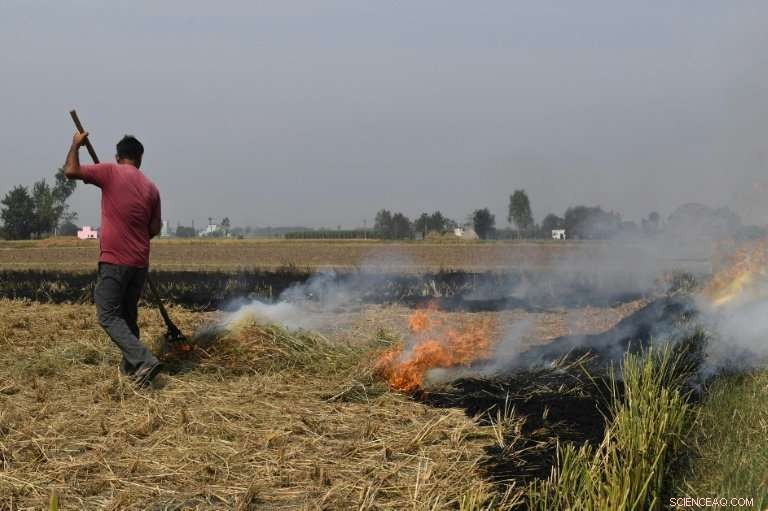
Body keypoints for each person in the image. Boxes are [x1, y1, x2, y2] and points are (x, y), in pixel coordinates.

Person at [64, 132, 163, 387]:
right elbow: (154, 228)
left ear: (118, 157)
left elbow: (70, 171)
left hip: (115, 259)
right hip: (139, 263)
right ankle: (132, 371)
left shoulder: (109, 171)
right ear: (140, 158)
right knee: (128, 317)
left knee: (107, 313)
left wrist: (76, 144)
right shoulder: (151, 188)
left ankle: (144, 360)